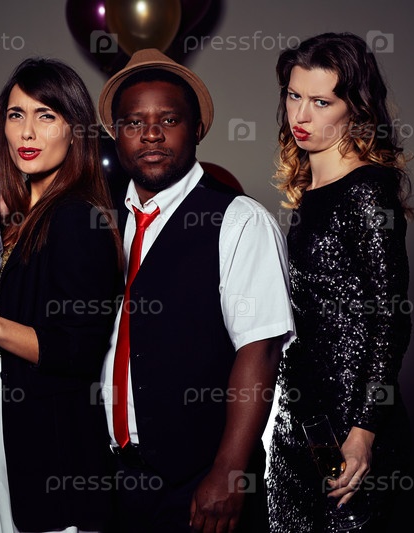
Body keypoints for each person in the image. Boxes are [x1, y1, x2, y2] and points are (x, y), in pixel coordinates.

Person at [96, 48, 296, 532]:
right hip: (114, 478)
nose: (151, 135)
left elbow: (261, 350)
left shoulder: (239, 220)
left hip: (201, 483)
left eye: (169, 119)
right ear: (116, 134)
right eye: (133, 122)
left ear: (198, 129)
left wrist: (229, 471)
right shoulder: (103, 221)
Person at [0, 57, 123, 532]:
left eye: (46, 115)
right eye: (16, 115)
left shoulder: (78, 217)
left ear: (75, 130)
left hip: (51, 445)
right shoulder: (24, 216)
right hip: (1, 430)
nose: (27, 132)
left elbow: (78, 351)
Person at [267, 32, 413, 532]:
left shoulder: (368, 191)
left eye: (321, 102)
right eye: (294, 95)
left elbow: (391, 319)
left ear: (356, 108)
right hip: (303, 417)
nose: (301, 115)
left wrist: (365, 430)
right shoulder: (312, 192)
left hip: (352, 427)